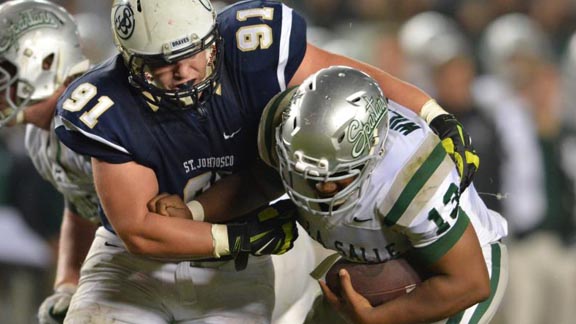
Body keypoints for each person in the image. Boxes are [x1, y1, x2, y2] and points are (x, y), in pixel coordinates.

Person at [54, 0, 478, 323]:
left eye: (192, 54)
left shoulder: (252, 46)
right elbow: (139, 232)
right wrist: (235, 236)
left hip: (233, 268)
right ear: (131, 65)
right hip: (132, 271)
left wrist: (431, 114)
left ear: (214, 38)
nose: (183, 72)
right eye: (162, 66)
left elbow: (343, 79)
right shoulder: (106, 106)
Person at [264, 66, 509, 324]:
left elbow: (470, 284)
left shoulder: (408, 175)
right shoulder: (283, 127)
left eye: (338, 175)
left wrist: (376, 318)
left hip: (456, 269)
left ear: (372, 155)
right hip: (382, 256)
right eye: (310, 173)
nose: (324, 188)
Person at [0, 1, 97, 323]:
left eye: (4, 71)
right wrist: (69, 281)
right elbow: (82, 205)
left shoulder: (101, 119)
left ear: (45, 63)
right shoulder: (38, 136)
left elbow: (150, 216)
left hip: (206, 261)